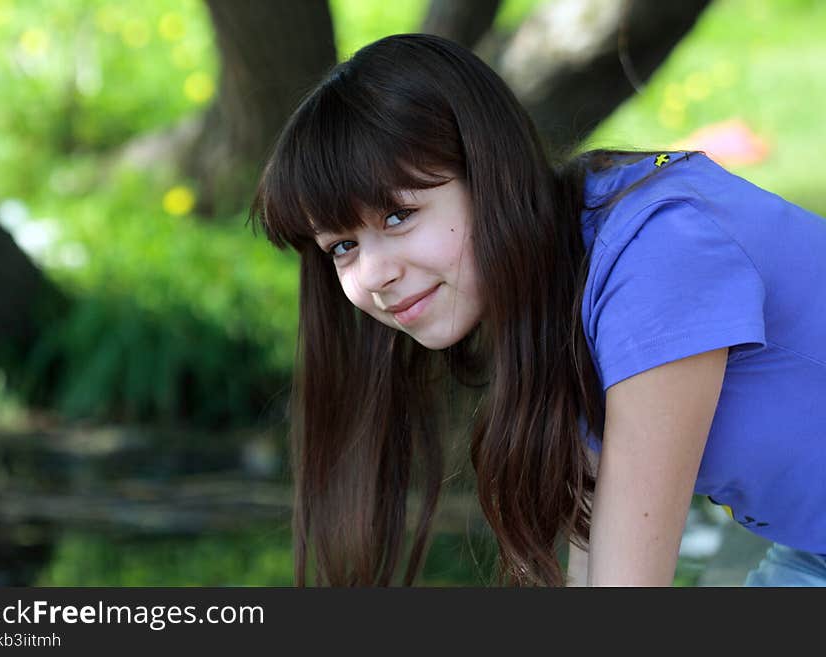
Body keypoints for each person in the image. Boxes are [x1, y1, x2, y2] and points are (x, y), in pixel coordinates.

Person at [249, 33, 826, 586]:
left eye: (398, 216)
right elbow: (594, 560)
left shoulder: (656, 258)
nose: (375, 275)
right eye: (342, 247)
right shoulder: (560, 286)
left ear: (490, 173)